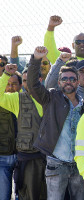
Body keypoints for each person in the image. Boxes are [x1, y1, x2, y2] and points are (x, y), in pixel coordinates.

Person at [27, 46, 84, 200]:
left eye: (72, 79)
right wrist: (36, 59)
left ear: (77, 82)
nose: (68, 82)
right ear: (59, 82)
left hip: (79, 165)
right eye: (64, 79)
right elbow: (33, 85)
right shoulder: (50, 98)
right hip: (56, 163)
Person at [0, 65, 46, 200]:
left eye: (30, 79)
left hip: (50, 158)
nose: (27, 83)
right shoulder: (17, 99)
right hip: (28, 158)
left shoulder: (49, 97)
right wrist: (6, 75)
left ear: (40, 79)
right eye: (25, 81)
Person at [0, 64, 21, 200]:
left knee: (23, 194)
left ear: (20, 86)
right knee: (3, 195)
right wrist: (6, 75)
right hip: (3, 156)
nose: (10, 87)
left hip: (23, 156)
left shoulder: (25, 101)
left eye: (14, 84)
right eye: (7, 84)